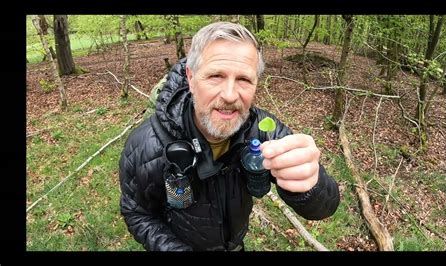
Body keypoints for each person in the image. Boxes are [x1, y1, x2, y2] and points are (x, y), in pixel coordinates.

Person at [119, 22, 340, 251]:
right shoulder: (146, 144)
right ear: (191, 78)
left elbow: (324, 207)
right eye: (215, 76)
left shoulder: (265, 131)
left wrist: (311, 185)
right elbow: (137, 214)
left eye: (244, 79)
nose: (230, 95)